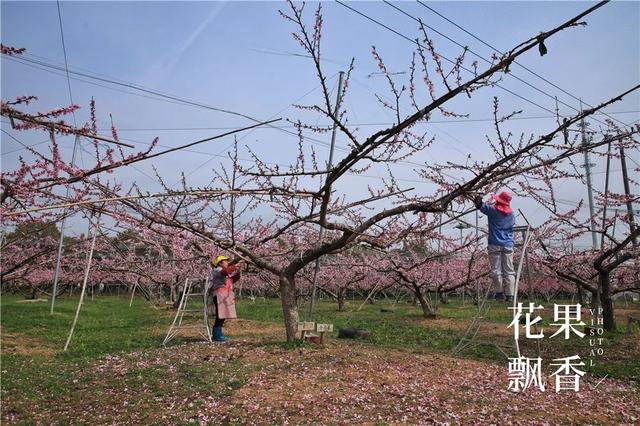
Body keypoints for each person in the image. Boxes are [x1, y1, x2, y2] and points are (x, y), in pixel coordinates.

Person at [474, 191, 515, 302]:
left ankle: (499, 293)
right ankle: (510, 295)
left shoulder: (493, 211)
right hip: (508, 244)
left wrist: (478, 199)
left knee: (496, 269)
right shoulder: (512, 214)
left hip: (494, 244)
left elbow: (480, 205)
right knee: (509, 270)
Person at [209, 255, 241, 342]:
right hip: (220, 296)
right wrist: (235, 267)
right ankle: (217, 335)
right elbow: (226, 271)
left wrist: (238, 273)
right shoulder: (217, 270)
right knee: (220, 315)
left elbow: (231, 280)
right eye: (225, 261)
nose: (227, 262)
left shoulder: (225, 273)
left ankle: (218, 335)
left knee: (222, 316)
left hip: (225, 295)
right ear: (220, 263)